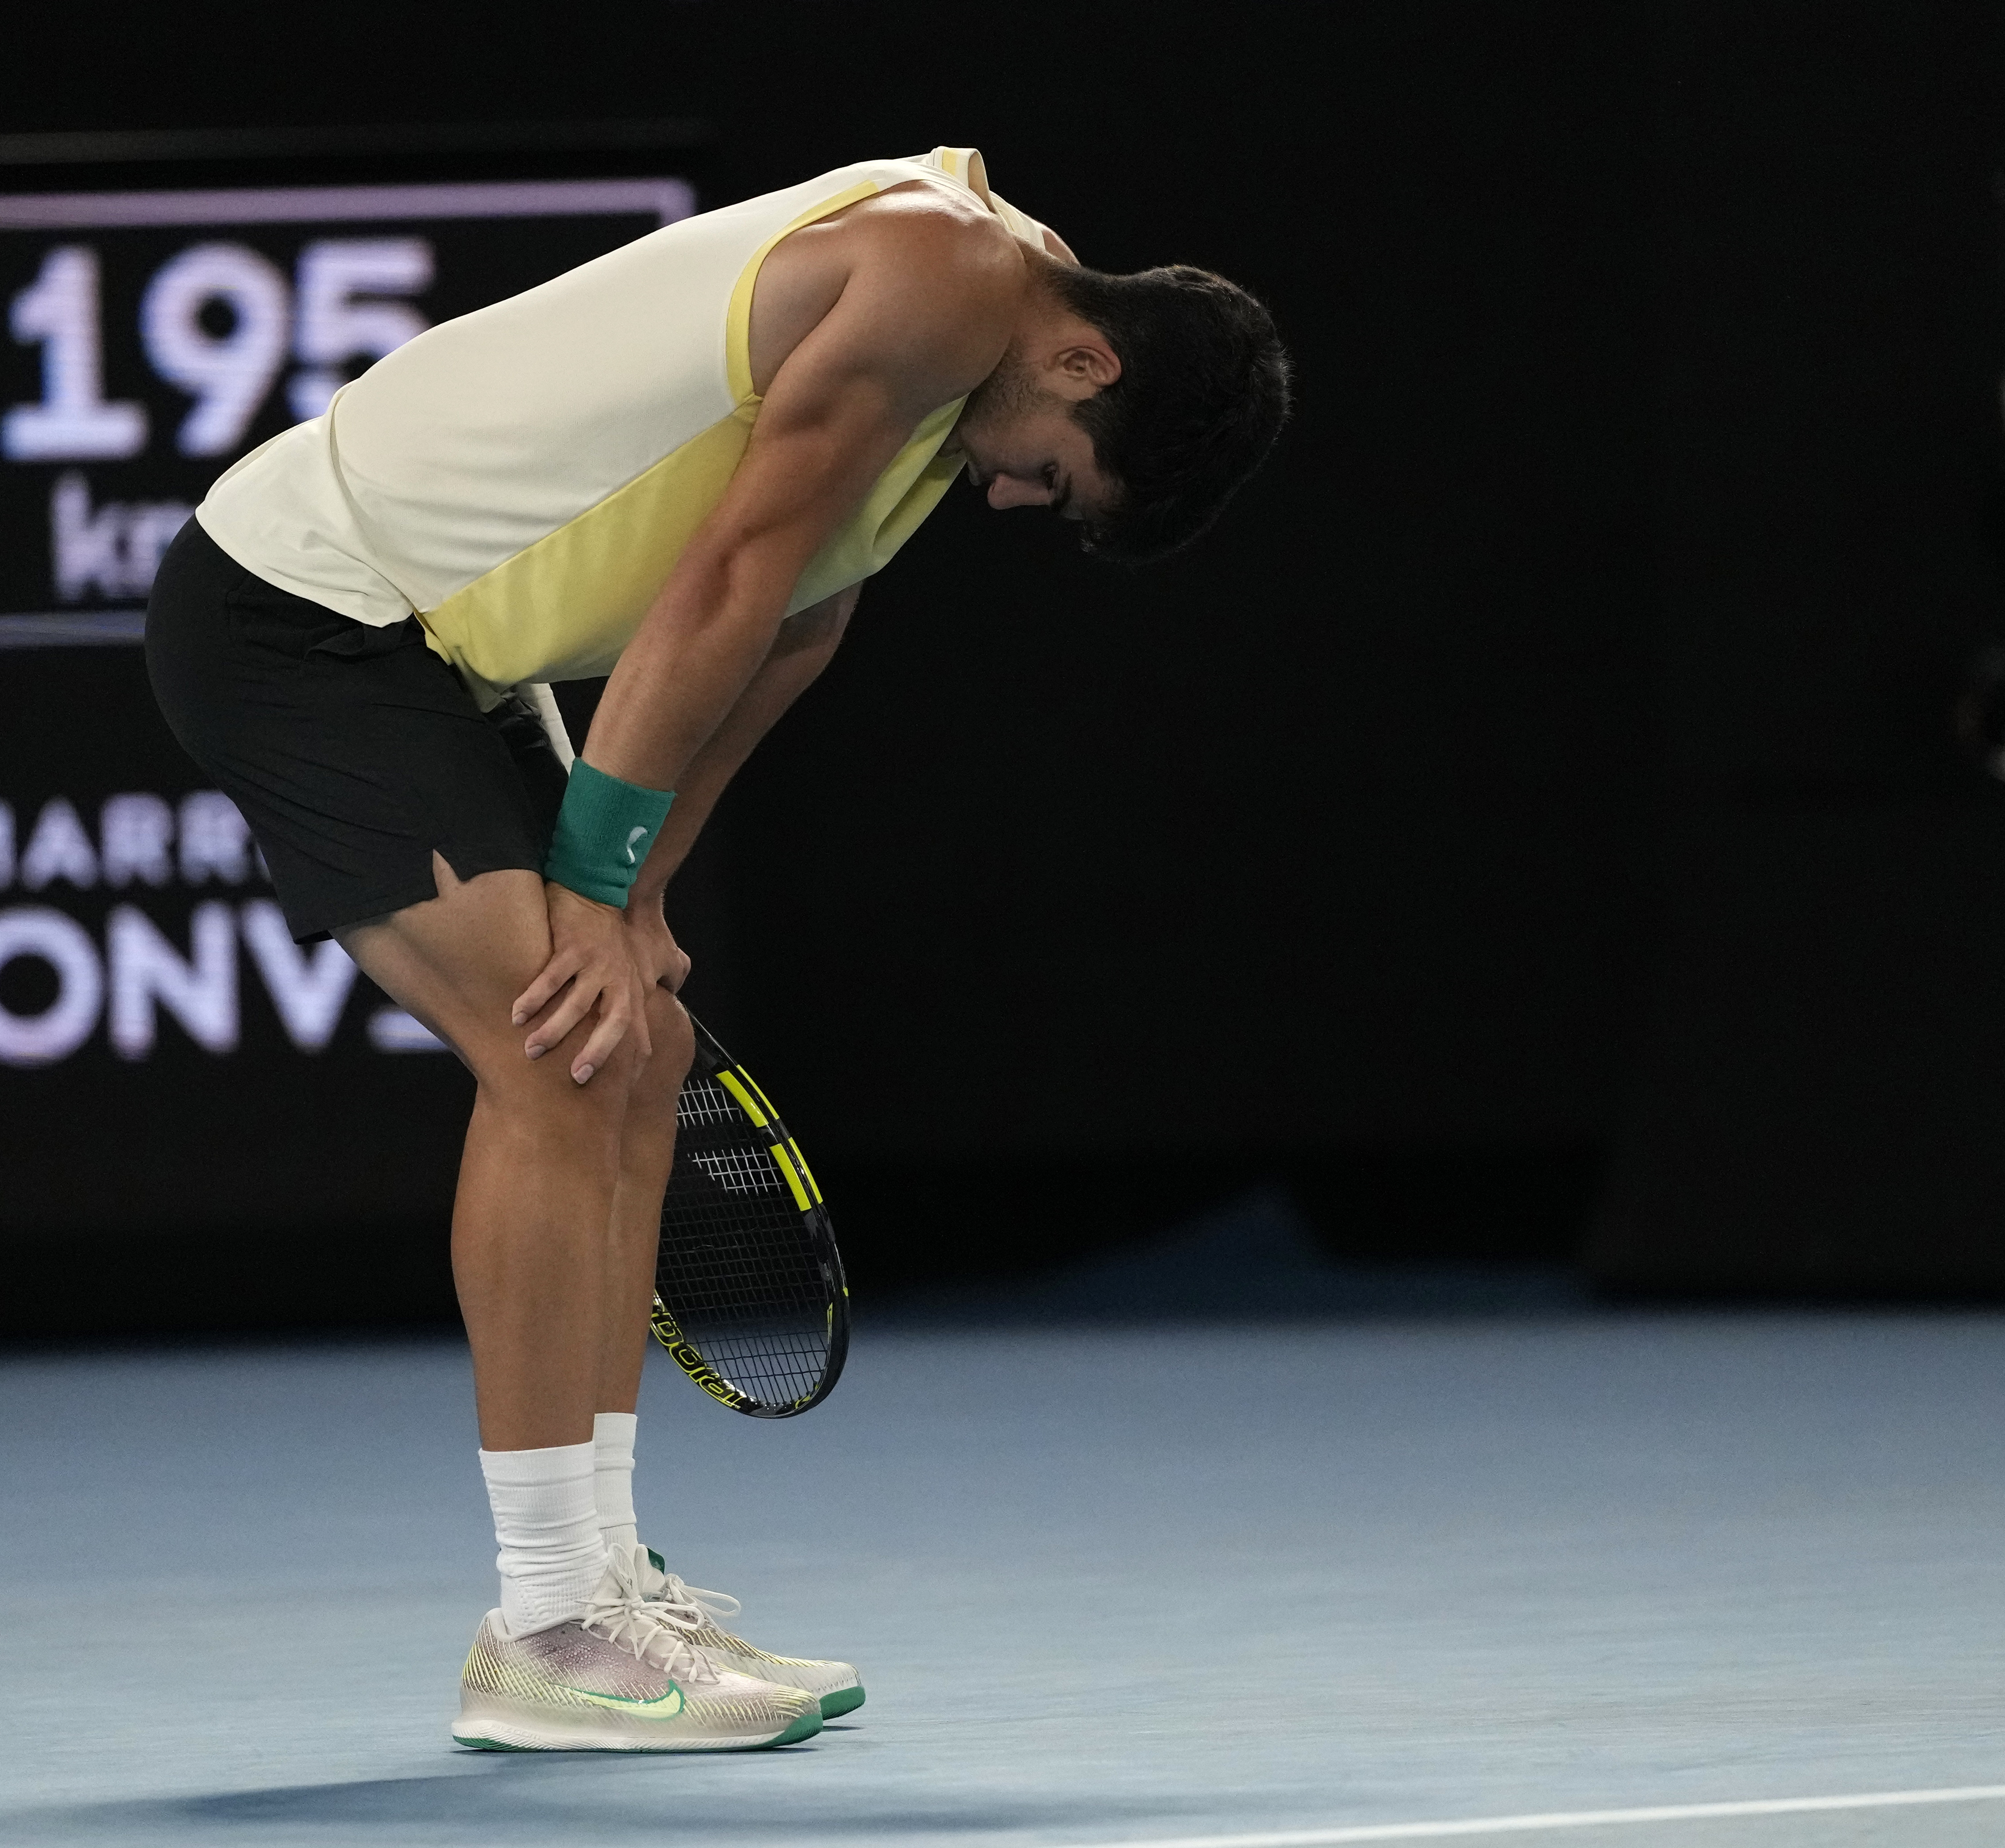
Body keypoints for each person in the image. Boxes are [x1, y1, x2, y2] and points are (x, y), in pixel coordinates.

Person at [143, 145, 1290, 1752]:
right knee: (564, 1049)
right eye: (1058, 474)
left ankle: (604, 1588)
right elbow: (730, 573)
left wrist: (643, 893)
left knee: (642, 1041)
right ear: (1087, 358)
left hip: (437, 656)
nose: (1016, 496)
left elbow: (794, 626)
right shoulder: (945, 282)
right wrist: (597, 895)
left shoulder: (976, 337)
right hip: (306, 613)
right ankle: (546, 1622)